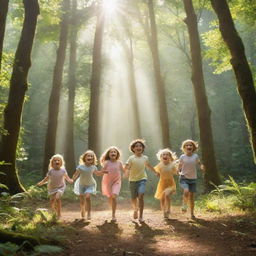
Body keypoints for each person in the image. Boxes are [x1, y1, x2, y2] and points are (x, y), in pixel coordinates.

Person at [125, 139, 157, 223]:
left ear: (143, 148)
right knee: (133, 198)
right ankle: (135, 209)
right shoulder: (131, 158)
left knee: (141, 195)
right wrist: (126, 172)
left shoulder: (145, 158)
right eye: (136, 146)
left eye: (140, 146)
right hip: (132, 180)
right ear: (133, 149)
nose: (138, 147)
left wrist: (155, 172)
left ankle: (141, 216)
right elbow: (127, 167)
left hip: (142, 179)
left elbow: (148, 166)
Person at [72, 150, 106, 220]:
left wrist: (103, 172)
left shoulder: (93, 167)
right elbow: (76, 174)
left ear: (93, 159)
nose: (90, 157)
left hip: (90, 184)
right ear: (85, 157)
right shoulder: (80, 167)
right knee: (82, 200)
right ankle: (83, 209)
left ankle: (89, 213)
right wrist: (73, 179)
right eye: (88, 156)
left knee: (87, 196)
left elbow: (97, 173)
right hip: (81, 185)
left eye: (91, 156)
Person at [37, 154, 73, 219]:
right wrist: (41, 183)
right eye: (55, 160)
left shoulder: (63, 170)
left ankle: (59, 214)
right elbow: (47, 178)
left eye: (58, 160)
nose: (56, 161)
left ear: (61, 162)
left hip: (60, 187)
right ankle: (55, 212)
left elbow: (66, 177)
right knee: (52, 201)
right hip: (52, 188)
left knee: (57, 198)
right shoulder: (51, 171)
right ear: (52, 163)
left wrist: (70, 180)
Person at [178, 139, 205, 219]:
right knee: (186, 191)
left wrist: (202, 167)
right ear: (184, 148)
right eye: (187, 145)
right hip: (184, 177)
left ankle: (192, 214)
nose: (189, 146)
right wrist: (178, 171)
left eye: (190, 145)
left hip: (193, 179)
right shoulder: (182, 156)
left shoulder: (195, 156)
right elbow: (179, 165)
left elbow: (199, 163)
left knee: (192, 197)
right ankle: (184, 206)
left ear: (193, 147)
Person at [100, 146, 125, 222]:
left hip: (116, 182)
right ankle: (112, 209)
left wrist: (128, 169)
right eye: (111, 152)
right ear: (109, 154)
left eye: (115, 152)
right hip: (107, 182)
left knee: (114, 196)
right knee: (110, 197)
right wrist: (105, 172)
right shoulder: (107, 163)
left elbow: (124, 170)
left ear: (117, 154)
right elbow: (102, 172)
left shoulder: (119, 163)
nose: (113, 153)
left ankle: (113, 215)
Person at [154, 148, 178, 219]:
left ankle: (168, 209)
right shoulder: (159, 165)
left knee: (167, 194)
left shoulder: (172, 165)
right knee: (162, 198)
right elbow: (157, 173)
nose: (165, 156)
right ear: (161, 157)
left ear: (170, 157)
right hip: (162, 184)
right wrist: (157, 174)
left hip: (170, 183)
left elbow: (176, 172)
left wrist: (179, 171)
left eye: (167, 155)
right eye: (163, 154)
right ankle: (164, 211)